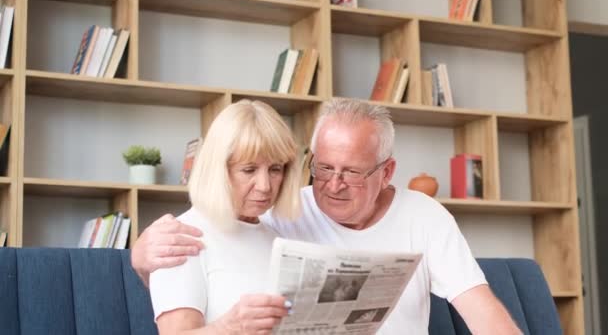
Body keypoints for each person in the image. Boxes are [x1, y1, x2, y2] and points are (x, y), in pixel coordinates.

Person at [133, 98, 522, 334]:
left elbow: (483, 312)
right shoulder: (282, 215)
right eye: (323, 168)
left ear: (386, 172)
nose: (333, 185)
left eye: (352, 172)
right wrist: (139, 259)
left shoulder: (423, 216)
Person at [148, 99, 302, 334]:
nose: (264, 186)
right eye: (249, 170)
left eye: (275, 169)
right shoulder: (181, 238)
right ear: (218, 170)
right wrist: (229, 327)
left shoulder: (278, 238)